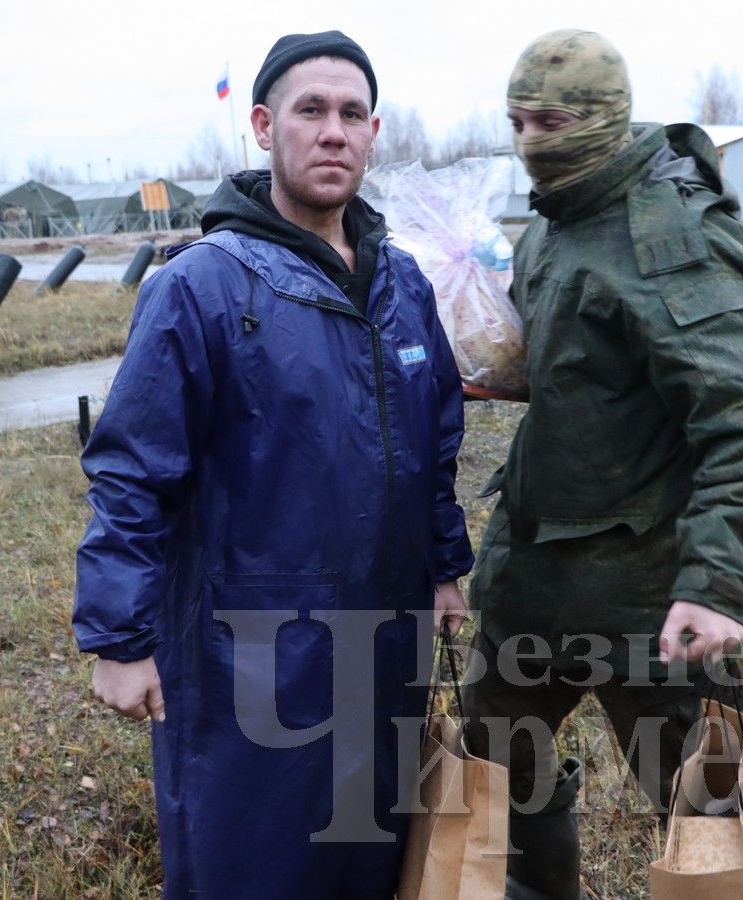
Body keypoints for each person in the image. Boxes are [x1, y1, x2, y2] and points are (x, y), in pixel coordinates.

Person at [72, 30, 474, 899]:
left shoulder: (402, 285)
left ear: (374, 133)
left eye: (352, 114)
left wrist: (444, 567)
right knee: (249, 858)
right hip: (245, 648)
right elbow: (131, 470)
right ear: (263, 126)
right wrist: (116, 639)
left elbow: (436, 436)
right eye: (311, 111)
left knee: (371, 843)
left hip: (383, 630)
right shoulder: (201, 288)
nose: (333, 131)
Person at [461, 29, 743, 900]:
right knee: (498, 783)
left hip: (650, 603)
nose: (530, 141)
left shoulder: (669, 236)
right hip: (531, 581)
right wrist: (504, 369)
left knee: (702, 819)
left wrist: (716, 585)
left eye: (548, 122)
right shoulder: (557, 220)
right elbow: (589, 366)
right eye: (516, 122)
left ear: (600, 121)